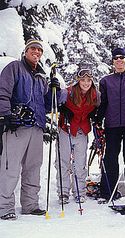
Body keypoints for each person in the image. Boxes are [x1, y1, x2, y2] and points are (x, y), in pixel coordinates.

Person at [0, 39, 61, 220]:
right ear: (26, 51)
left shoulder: (41, 77)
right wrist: (5, 115)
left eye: (39, 50)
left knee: (33, 167)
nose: (36, 52)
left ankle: (30, 204)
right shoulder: (15, 68)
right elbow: (2, 91)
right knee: (10, 167)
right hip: (17, 125)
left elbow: (48, 105)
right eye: (33, 49)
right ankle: (4, 207)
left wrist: (53, 90)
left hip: (36, 127)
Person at [96, 47, 125, 202]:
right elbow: (103, 103)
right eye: (116, 58)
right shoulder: (105, 81)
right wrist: (98, 118)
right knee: (110, 158)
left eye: (122, 58)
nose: (119, 61)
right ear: (112, 62)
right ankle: (108, 192)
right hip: (112, 125)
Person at [55, 69, 100, 204]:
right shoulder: (67, 92)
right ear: (78, 81)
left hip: (82, 131)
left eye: (88, 80)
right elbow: (56, 103)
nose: (86, 83)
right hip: (66, 130)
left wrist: (96, 116)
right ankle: (63, 192)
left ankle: (79, 192)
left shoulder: (95, 95)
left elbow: (99, 109)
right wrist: (62, 108)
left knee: (80, 164)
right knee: (63, 162)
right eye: (83, 80)